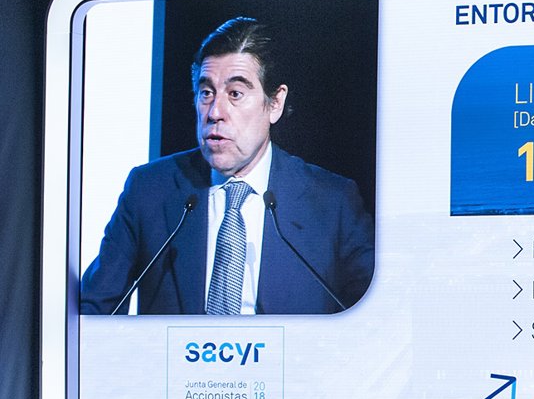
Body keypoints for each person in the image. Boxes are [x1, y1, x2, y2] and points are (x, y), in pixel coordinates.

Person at [79, 16, 373, 315]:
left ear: (275, 103)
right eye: (206, 93)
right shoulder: (149, 190)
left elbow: (374, 319)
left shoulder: (332, 203)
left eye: (235, 94)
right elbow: (93, 311)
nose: (215, 112)